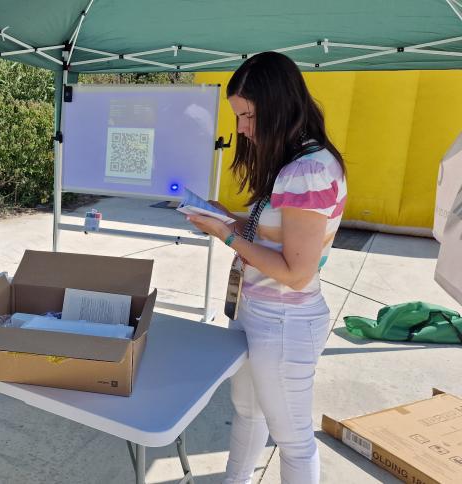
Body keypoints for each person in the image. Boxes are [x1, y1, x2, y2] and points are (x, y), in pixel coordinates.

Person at [186, 51, 347, 483]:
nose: (240, 127)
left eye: (248, 115)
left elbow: (296, 271)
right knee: (247, 414)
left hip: (284, 321)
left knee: (292, 441)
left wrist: (228, 236)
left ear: (278, 105)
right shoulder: (295, 163)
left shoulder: (308, 171)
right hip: (259, 314)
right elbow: (276, 234)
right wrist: (228, 218)